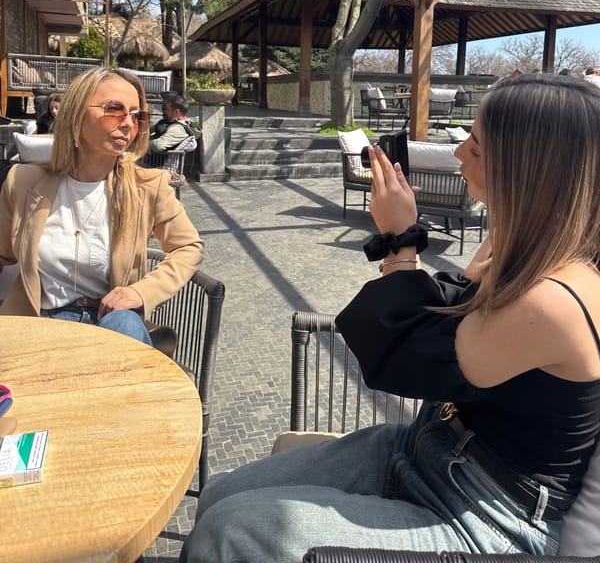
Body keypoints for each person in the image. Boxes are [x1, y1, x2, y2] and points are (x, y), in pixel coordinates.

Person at [181, 73, 600, 563]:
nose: (460, 154)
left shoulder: (556, 298)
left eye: (478, 149)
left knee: (230, 530)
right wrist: (404, 241)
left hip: (484, 515)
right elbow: (442, 316)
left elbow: (404, 359)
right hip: (425, 448)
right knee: (217, 494)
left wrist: (400, 239)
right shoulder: (518, 246)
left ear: (531, 173)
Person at [0, 67, 203, 344]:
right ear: (76, 114)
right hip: (37, 321)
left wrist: (141, 292)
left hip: (108, 322)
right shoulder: (23, 182)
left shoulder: (148, 187)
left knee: (125, 323)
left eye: (137, 115)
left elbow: (188, 247)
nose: (129, 123)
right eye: (114, 109)